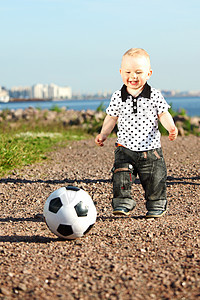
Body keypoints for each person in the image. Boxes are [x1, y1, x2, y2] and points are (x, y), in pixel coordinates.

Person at [95, 48, 178, 218]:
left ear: (149, 73)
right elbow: (111, 117)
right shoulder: (118, 96)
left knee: (155, 179)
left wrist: (171, 127)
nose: (133, 76)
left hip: (150, 149)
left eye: (138, 72)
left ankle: (156, 204)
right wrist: (103, 134)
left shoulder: (154, 95)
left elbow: (163, 113)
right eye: (128, 72)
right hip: (124, 148)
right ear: (120, 72)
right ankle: (123, 202)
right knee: (121, 176)